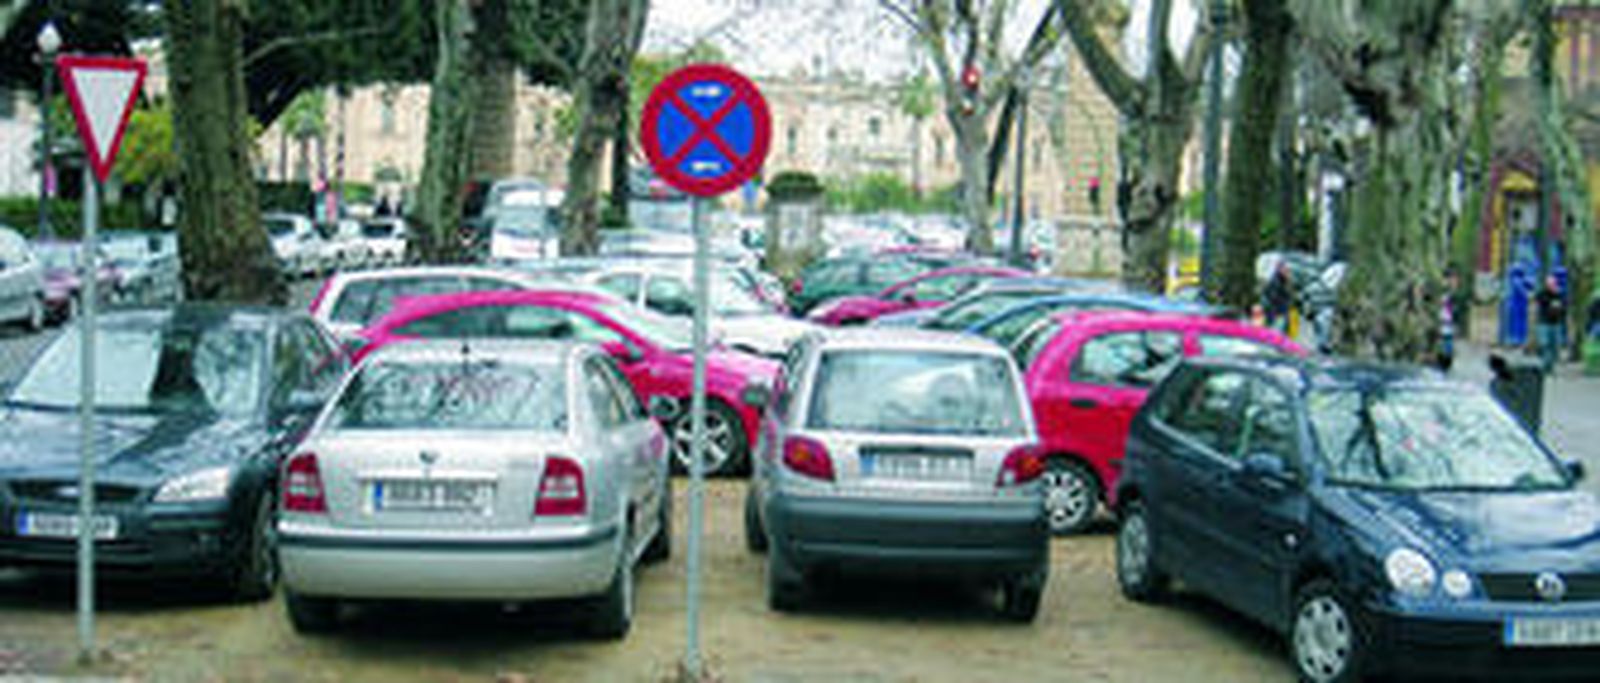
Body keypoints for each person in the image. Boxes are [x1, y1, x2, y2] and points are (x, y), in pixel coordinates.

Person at [1535, 275, 1566, 374]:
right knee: (1545, 345)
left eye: (1553, 284)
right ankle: (1545, 366)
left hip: (1556, 323)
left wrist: (1556, 299)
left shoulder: (1559, 295)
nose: (1552, 286)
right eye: (1550, 284)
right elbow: (1543, 303)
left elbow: (1563, 307)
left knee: (1554, 346)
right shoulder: (1542, 294)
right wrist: (1554, 303)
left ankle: (1550, 366)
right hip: (1544, 323)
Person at [1262, 262, 1293, 332]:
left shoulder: (1282, 280)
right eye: (1286, 270)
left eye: (1288, 271)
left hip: (1276, 308)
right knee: (1278, 327)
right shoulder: (1275, 280)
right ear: (1279, 269)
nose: (1288, 273)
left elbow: (1285, 294)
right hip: (1273, 309)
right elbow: (1274, 297)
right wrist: (1286, 302)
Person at [1437, 271, 1458, 373]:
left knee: (1447, 341)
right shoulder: (1444, 293)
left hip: (1447, 323)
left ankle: (1446, 362)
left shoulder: (1449, 294)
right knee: (1445, 341)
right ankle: (1443, 361)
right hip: (1444, 323)